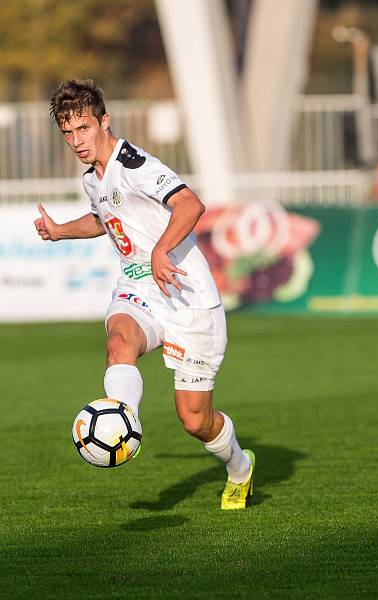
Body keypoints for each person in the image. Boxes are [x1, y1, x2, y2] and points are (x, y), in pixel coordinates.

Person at [35, 80, 254, 510]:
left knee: (195, 421)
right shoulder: (92, 178)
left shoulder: (134, 164)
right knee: (119, 342)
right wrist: (61, 231)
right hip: (139, 287)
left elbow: (190, 204)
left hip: (186, 295)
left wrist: (160, 249)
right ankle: (123, 419)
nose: (77, 141)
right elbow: (104, 218)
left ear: (104, 121)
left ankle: (240, 468)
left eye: (83, 128)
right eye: (68, 133)